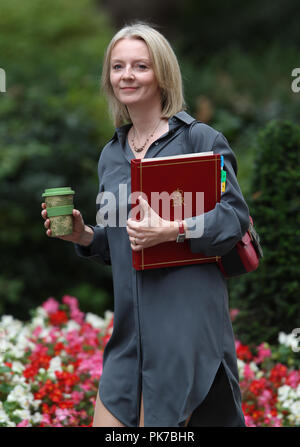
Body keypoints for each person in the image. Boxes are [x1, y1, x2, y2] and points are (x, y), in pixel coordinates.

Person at [41, 22, 250, 427]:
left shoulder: (200, 139)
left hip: (184, 327)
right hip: (130, 332)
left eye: (140, 65)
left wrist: (172, 229)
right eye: (118, 67)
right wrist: (84, 234)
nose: (127, 75)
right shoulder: (111, 154)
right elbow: (119, 241)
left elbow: (234, 217)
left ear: (162, 75)